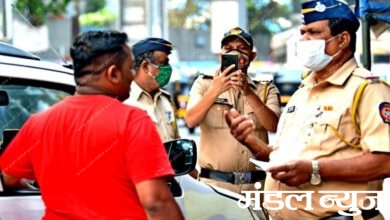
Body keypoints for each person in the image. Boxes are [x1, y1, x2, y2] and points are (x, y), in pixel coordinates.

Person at [225, 1, 390, 219]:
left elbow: (384, 162)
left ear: (342, 40)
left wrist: (314, 170)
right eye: (302, 32)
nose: (303, 40)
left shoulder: (368, 89)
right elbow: (285, 159)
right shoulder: (303, 91)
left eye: (312, 33)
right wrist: (248, 140)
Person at [0, 31, 184, 220]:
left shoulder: (38, 124)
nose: (132, 77)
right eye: (130, 69)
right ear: (113, 73)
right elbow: (156, 201)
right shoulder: (132, 121)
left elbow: (8, 177)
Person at [185, 27, 281, 194]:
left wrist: (248, 92)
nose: (235, 53)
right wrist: (216, 89)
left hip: (256, 186)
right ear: (220, 56)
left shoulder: (265, 89)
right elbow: (190, 120)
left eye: (242, 49)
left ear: (252, 57)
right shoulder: (204, 84)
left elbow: (273, 126)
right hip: (214, 186)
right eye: (228, 49)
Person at [123, 37, 179, 142]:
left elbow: (176, 140)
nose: (168, 68)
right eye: (163, 63)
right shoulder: (124, 102)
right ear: (145, 67)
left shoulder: (166, 100)